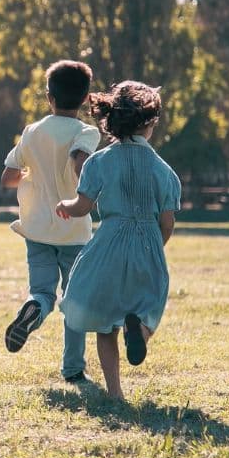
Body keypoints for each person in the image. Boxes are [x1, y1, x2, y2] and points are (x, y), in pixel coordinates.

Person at [55, 81, 180, 400]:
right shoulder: (164, 171)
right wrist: (153, 248)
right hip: (148, 243)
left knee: (104, 323)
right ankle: (139, 331)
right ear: (150, 123)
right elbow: (167, 223)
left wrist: (65, 206)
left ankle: (115, 393)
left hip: (109, 242)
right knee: (149, 307)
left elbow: (82, 207)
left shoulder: (98, 161)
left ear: (111, 120)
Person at [0, 60, 101, 383]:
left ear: (49, 97)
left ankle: (33, 310)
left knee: (42, 292)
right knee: (75, 300)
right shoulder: (87, 131)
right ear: (86, 99)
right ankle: (73, 368)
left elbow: (8, 177)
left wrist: (35, 175)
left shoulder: (32, 131)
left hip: (37, 229)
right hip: (73, 229)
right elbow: (79, 162)